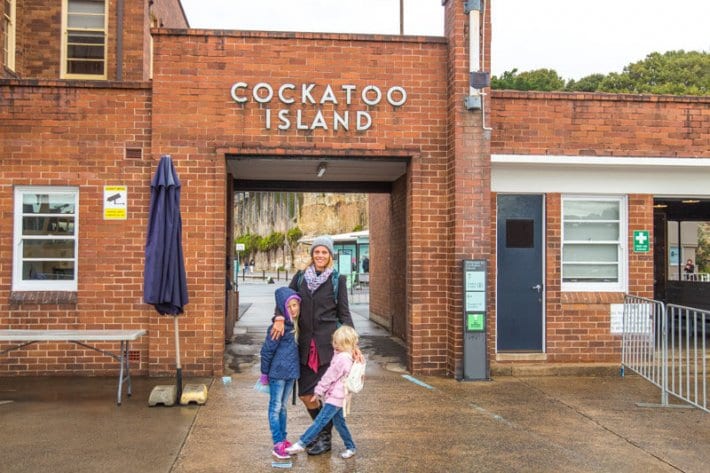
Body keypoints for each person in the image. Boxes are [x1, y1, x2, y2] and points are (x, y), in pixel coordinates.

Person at [270, 235, 361, 455]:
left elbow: (344, 313)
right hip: (303, 346)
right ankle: (322, 433)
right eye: (317, 252)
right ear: (312, 254)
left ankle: (324, 438)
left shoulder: (337, 279)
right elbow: (284, 298)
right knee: (306, 395)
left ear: (330, 256)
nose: (320, 256)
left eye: (324, 252)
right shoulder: (300, 277)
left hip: (329, 347)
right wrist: (279, 317)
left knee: (329, 397)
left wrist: (353, 345)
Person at [286, 325, 359, 460]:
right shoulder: (348, 356)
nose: (335, 345)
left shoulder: (341, 359)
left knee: (320, 421)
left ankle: (301, 443)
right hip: (341, 396)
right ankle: (351, 447)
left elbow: (329, 377)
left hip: (336, 397)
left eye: (339, 343)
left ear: (347, 344)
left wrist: (318, 391)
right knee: (339, 424)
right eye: (335, 342)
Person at [260, 287, 302, 460]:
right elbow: (267, 351)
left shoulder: (297, 324)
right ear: (282, 308)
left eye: (295, 305)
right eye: (289, 306)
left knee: (283, 408)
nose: (293, 309)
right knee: (275, 407)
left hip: (291, 374)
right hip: (277, 374)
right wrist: (264, 373)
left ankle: (283, 439)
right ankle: (277, 443)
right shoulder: (278, 327)